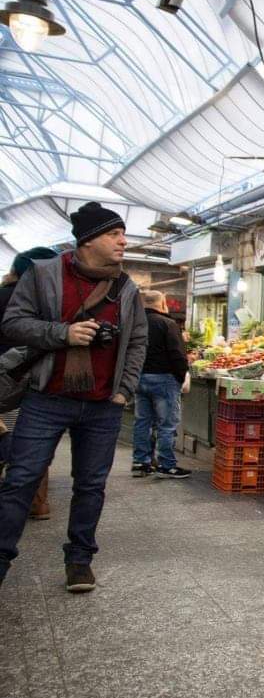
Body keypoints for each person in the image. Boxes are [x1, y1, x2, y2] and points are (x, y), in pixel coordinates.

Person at [0, 202, 148, 592]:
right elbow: (14, 323)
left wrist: (124, 390)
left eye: (122, 233)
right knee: (21, 479)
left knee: (90, 485)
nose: (123, 240)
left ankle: (80, 559)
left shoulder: (126, 287)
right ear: (88, 240)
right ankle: (1, 558)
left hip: (102, 404)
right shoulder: (44, 275)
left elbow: (136, 341)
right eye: (114, 234)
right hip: (47, 396)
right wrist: (62, 334)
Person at [0, 247, 59, 520]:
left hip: (5, 381)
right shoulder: (47, 304)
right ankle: (37, 503)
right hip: (34, 382)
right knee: (33, 447)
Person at [131, 290, 190, 479]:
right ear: (162, 303)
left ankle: (141, 463)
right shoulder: (168, 323)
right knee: (167, 424)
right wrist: (182, 377)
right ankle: (166, 465)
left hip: (139, 378)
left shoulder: (134, 323)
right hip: (164, 380)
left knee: (142, 422)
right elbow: (177, 354)